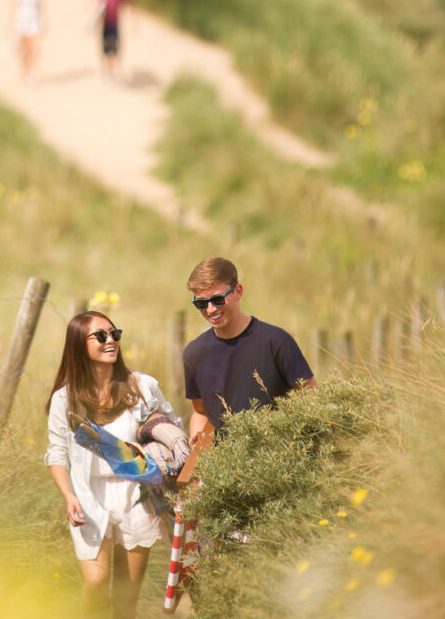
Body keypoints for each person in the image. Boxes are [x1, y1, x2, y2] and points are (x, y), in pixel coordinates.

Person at [45, 311, 181, 619]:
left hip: (137, 497)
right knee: (95, 582)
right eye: (101, 336)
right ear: (79, 345)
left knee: (125, 599)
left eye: (114, 333)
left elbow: (168, 429)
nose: (111, 341)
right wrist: (69, 497)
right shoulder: (64, 399)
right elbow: (56, 454)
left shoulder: (143, 387)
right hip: (88, 496)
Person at [183, 257, 317, 444]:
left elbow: (312, 400)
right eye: (201, 303)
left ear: (238, 292)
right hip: (222, 466)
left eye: (218, 299)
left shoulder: (277, 342)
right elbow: (200, 411)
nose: (210, 309)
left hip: (276, 459)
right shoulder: (193, 353)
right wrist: (197, 439)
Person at [91, 0, 131, 82]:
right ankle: (105, 73)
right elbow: (95, 5)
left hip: (114, 25)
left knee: (114, 49)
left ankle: (112, 72)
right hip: (105, 24)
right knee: (105, 49)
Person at [8, 0, 45, 83]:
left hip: (34, 21)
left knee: (33, 48)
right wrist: (10, 24)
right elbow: (14, 8)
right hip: (22, 21)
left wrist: (43, 22)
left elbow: (41, 8)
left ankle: (33, 71)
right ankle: (24, 70)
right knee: (23, 49)